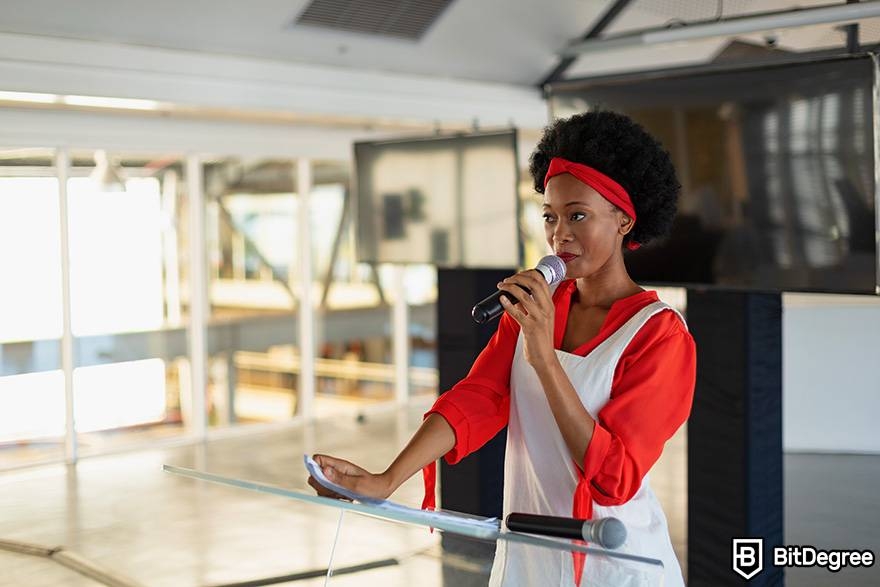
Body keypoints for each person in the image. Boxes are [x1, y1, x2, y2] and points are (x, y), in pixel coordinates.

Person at [308, 110, 696, 586]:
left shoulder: (660, 336)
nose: (560, 235)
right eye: (550, 217)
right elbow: (479, 397)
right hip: (528, 554)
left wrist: (544, 358)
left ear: (624, 220)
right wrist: (386, 479)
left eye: (578, 215)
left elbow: (613, 478)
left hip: (612, 564)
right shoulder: (540, 308)